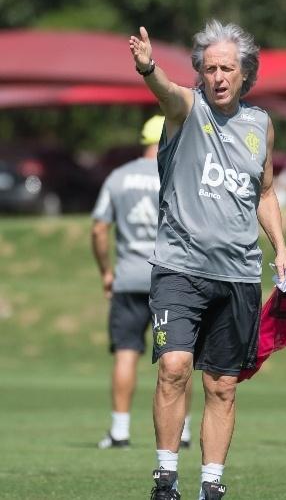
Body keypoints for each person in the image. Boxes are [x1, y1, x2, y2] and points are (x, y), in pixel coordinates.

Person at [129, 20, 286, 500]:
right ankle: (165, 480)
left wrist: (280, 247)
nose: (218, 76)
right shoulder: (186, 108)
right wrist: (149, 68)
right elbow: (166, 93)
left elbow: (264, 192)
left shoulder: (260, 124)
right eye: (210, 68)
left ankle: (212, 485)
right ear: (199, 72)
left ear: (246, 74)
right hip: (180, 268)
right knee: (175, 365)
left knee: (222, 386)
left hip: (240, 275)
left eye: (228, 68)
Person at [91, 115, 193, 451]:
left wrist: (106, 270)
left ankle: (119, 430)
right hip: (171, 276)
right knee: (179, 355)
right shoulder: (179, 172)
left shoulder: (118, 176)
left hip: (129, 277)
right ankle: (186, 429)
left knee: (125, 353)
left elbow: (99, 228)